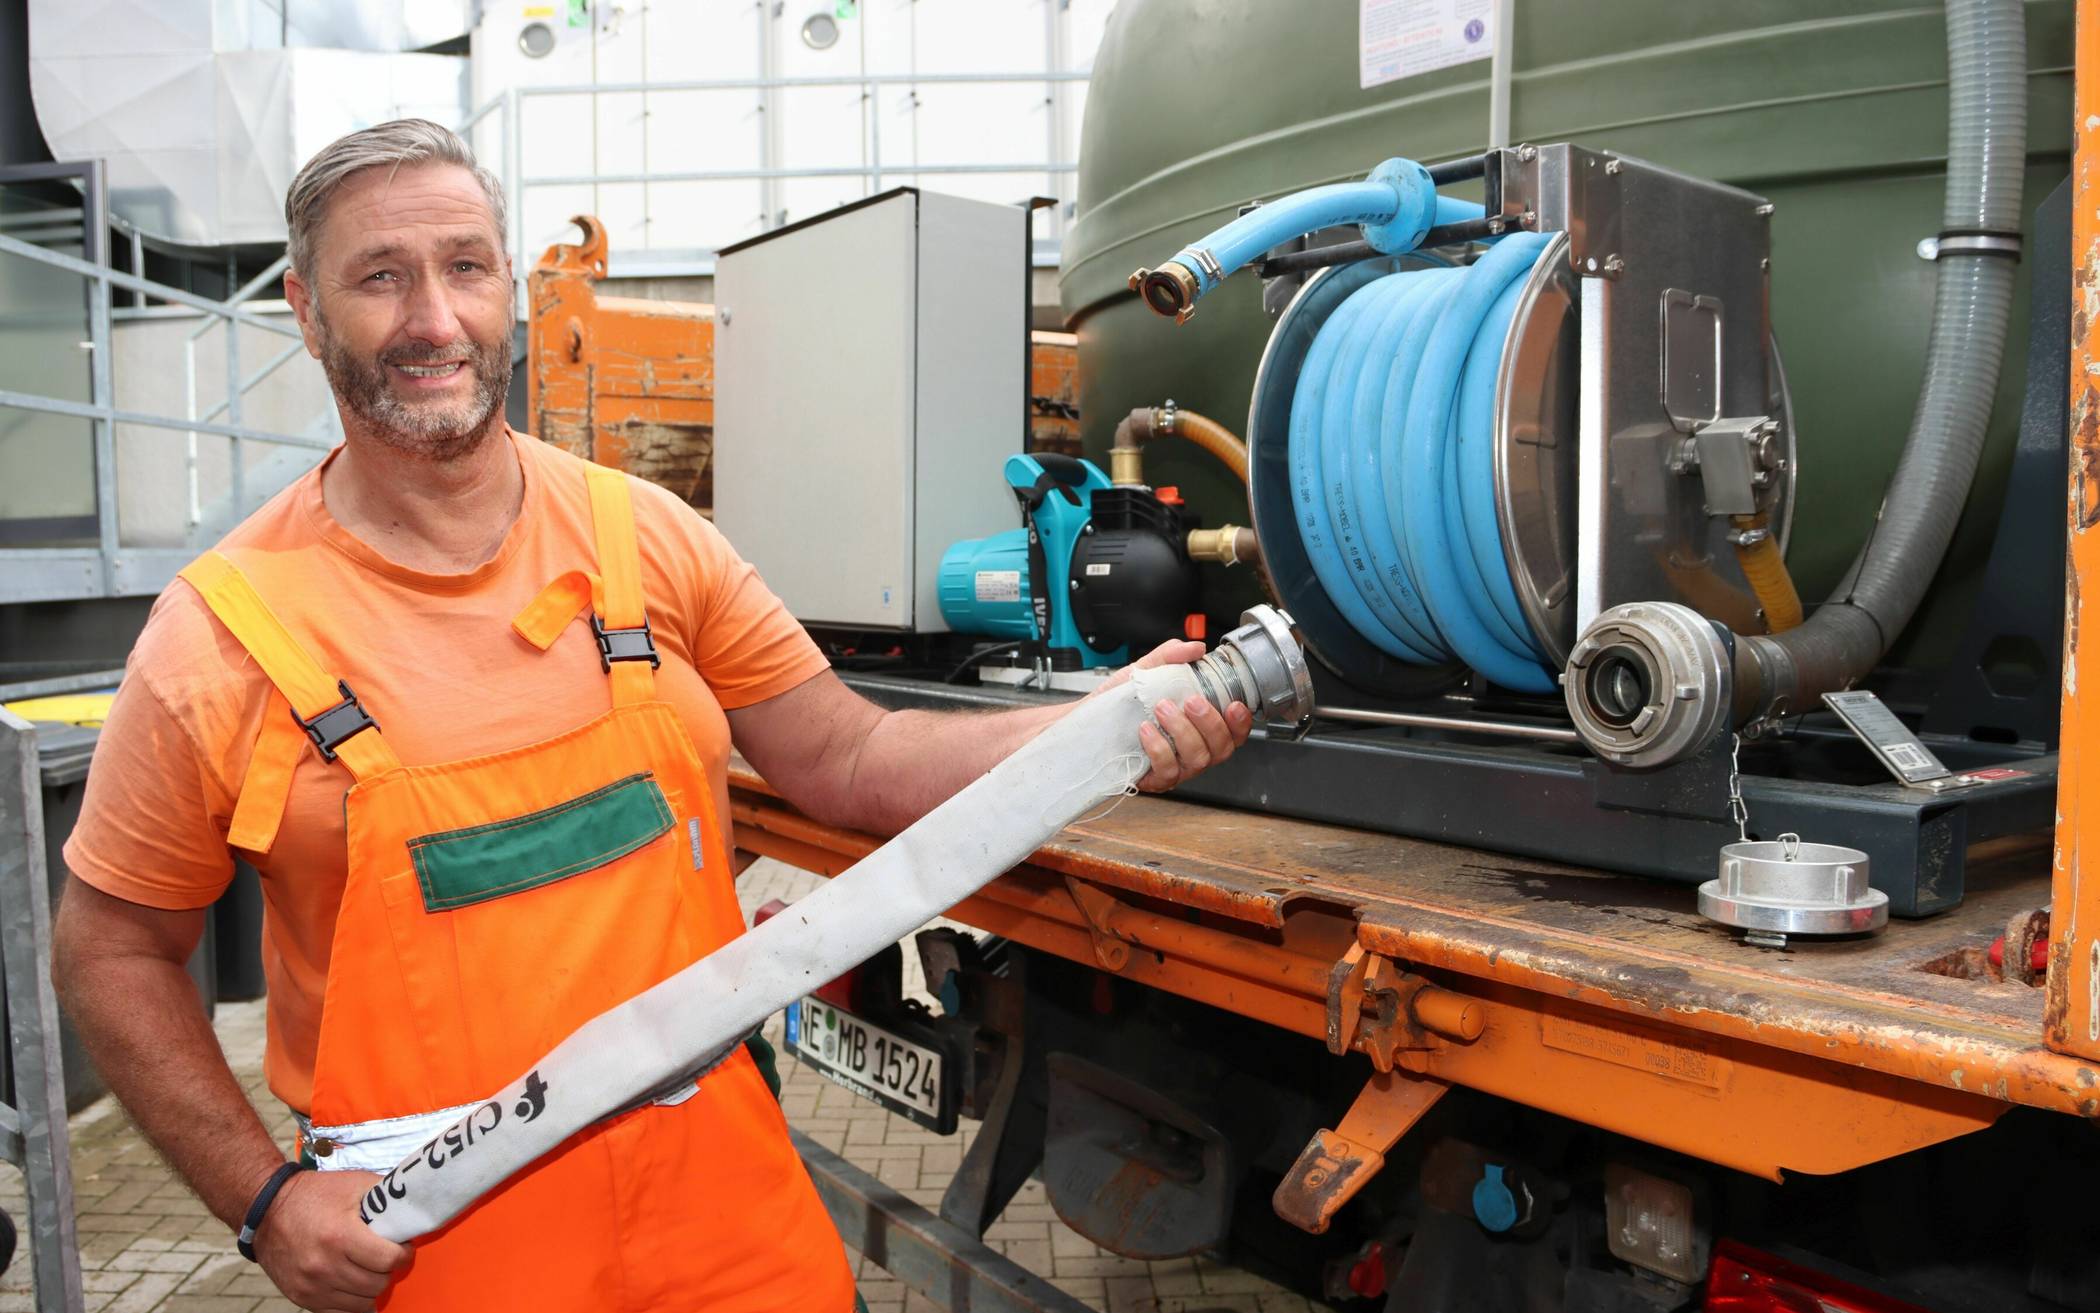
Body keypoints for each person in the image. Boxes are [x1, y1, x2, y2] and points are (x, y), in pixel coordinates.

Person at [47, 119, 1250, 1313]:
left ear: (507, 289)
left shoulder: (647, 538)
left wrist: (1104, 722)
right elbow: (108, 947)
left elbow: (852, 754)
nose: (434, 318)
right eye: (380, 276)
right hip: (438, 1252)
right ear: (308, 313)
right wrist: (259, 1199)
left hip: (723, 1205)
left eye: (466, 266)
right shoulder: (219, 637)